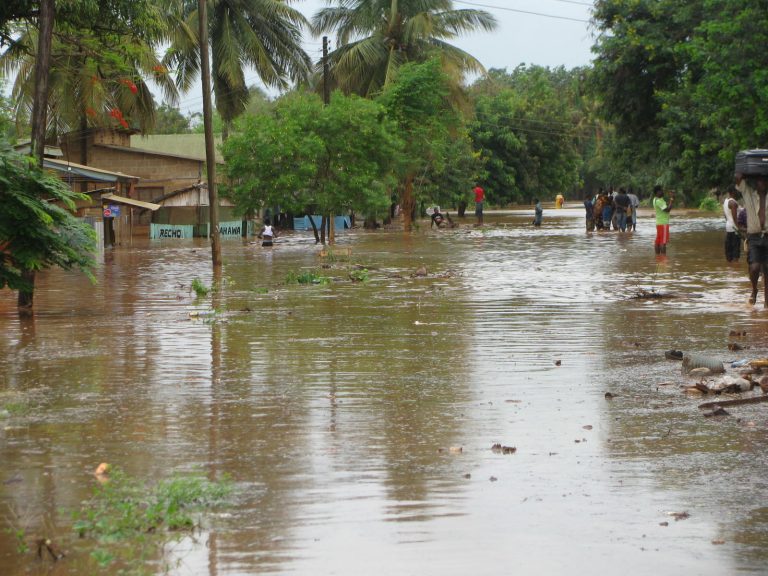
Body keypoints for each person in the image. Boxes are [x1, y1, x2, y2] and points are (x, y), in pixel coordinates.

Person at [736, 173, 768, 305]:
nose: (762, 183)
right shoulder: (748, 193)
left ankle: (766, 303)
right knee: (754, 267)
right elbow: (738, 180)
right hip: (754, 237)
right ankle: (754, 290)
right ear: (755, 183)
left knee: (767, 269)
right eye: (759, 181)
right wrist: (741, 173)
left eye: (764, 181)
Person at [653, 185, 674, 255]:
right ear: (657, 192)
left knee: (658, 241)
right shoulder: (659, 201)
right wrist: (672, 199)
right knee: (663, 242)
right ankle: (663, 259)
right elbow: (667, 210)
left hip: (659, 223)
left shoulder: (655, 199)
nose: (662, 192)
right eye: (661, 191)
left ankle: (658, 258)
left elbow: (665, 206)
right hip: (663, 224)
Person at [723, 187, 741, 262]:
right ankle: (735, 270)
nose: (738, 193)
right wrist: (739, 229)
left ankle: (730, 270)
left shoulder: (725, 201)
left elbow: (725, 216)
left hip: (728, 228)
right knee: (735, 253)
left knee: (729, 252)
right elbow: (735, 217)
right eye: (736, 191)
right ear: (733, 192)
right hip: (734, 229)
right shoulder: (733, 203)